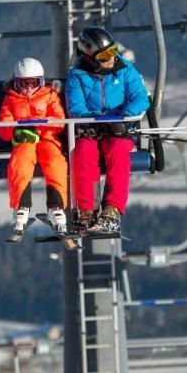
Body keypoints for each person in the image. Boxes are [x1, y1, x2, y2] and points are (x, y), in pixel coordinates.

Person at [64, 27, 151, 234]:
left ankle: (111, 209)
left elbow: (141, 97)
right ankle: (87, 210)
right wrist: (88, 120)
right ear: (90, 57)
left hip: (118, 129)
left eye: (113, 51)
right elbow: (76, 106)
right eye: (104, 56)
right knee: (84, 154)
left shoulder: (125, 69)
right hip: (91, 130)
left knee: (119, 152)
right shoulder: (77, 76)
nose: (111, 59)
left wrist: (125, 115)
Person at [0, 57, 69, 236]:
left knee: (56, 162)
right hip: (25, 141)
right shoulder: (11, 99)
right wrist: (16, 129)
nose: (29, 88)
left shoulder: (49, 95)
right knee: (20, 162)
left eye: (34, 83)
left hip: (47, 139)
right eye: (24, 83)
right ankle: (21, 206)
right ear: (16, 83)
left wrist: (39, 124)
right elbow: (3, 128)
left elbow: (59, 121)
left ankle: (56, 206)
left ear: (42, 81)